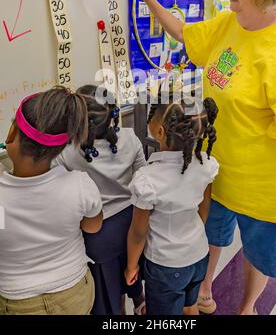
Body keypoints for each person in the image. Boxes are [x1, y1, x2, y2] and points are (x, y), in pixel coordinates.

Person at [114, 0, 276, 315]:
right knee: (210, 237)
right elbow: (183, 32)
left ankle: (247, 306)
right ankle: (204, 290)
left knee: (256, 255)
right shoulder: (229, 23)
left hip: (266, 191)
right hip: (214, 173)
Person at [0, 87, 103, 315]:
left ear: (11, 134)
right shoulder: (80, 186)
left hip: (19, 302)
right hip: (75, 291)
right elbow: (92, 226)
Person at [125, 88, 219, 315]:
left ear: (159, 131)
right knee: (190, 307)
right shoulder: (207, 164)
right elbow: (204, 208)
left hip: (165, 265)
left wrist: (131, 266)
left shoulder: (147, 180)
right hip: (198, 255)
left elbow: (138, 232)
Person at [54, 85, 146, 315]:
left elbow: (60, 192)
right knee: (131, 267)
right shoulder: (130, 138)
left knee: (108, 292)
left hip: (98, 233)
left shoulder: (68, 153)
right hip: (133, 223)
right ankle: (140, 302)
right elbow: (144, 179)